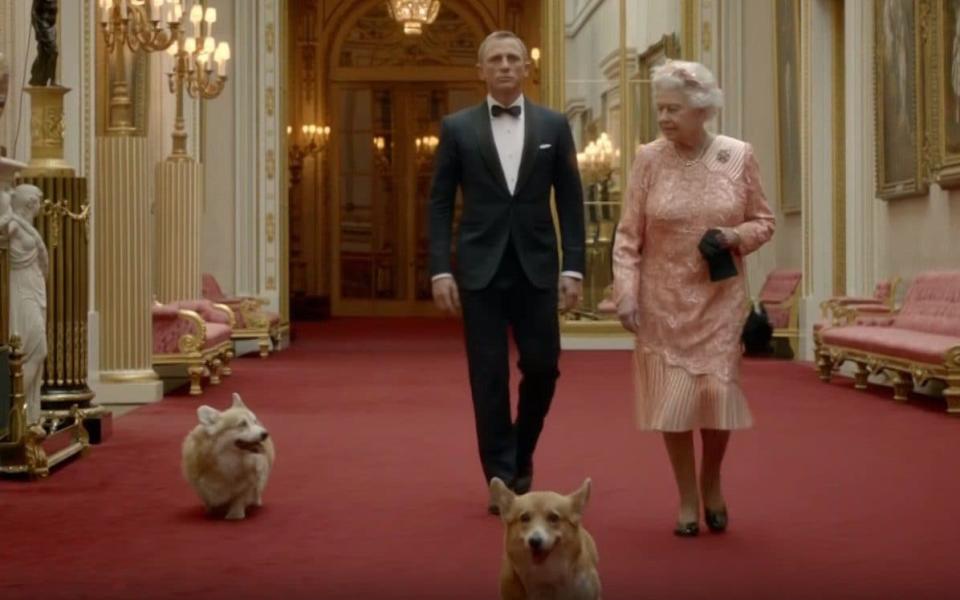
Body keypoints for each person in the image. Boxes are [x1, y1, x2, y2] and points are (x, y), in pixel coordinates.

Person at [612, 60, 775, 536]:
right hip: (663, 300)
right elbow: (627, 236)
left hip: (719, 298)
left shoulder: (738, 156)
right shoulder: (648, 159)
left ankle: (712, 479)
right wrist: (626, 293)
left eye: (674, 109)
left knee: (716, 394)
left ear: (702, 111)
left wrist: (733, 234)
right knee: (675, 401)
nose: (664, 117)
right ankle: (686, 495)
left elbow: (764, 221)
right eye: (659, 108)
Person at [428, 30, 585, 513]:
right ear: (480, 70)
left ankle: (520, 450)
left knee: (543, 367)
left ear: (526, 67)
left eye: (512, 58)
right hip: (480, 270)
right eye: (494, 59)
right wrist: (439, 270)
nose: (504, 66)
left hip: (538, 267)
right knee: (488, 377)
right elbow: (438, 203)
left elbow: (572, 200)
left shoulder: (555, 125)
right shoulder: (457, 128)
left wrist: (574, 268)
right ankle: (502, 478)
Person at [0, 184, 49, 426]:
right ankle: (13, 409)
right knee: (35, 349)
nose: (42, 205)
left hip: (34, 288)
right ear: (30, 203)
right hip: (21, 290)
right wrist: (6, 209)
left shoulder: (26, 227)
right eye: (39, 200)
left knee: (36, 351)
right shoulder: (15, 225)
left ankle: (25, 414)